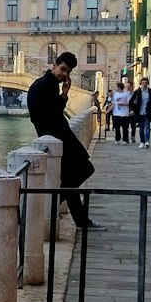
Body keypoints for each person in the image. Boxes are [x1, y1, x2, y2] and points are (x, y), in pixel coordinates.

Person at [27, 51, 99, 229]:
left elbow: (53, 111)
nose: (65, 74)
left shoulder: (49, 84)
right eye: (63, 69)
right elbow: (47, 116)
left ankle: (81, 220)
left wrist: (64, 94)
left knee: (70, 180)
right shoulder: (44, 85)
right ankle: (55, 201)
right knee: (85, 169)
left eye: (68, 71)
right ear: (55, 65)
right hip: (56, 139)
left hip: (58, 136)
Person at [129, 76, 151, 148]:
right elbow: (131, 101)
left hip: (147, 111)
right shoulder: (137, 92)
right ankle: (142, 142)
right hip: (139, 112)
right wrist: (132, 109)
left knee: (147, 127)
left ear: (147, 84)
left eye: (145, 83)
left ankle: (147, 141)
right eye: (143, 83)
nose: (144, 84)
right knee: (141, 128)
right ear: (141, 83)